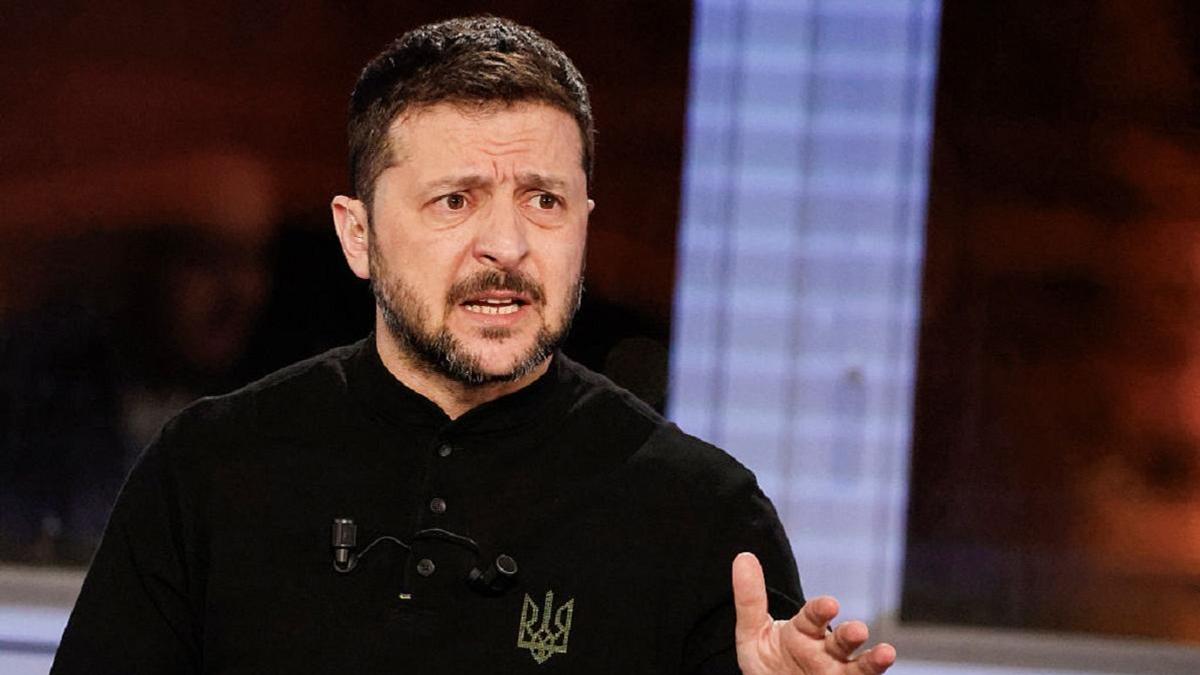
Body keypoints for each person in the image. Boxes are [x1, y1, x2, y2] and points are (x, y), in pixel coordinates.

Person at [52, 16, 895, 674]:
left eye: (543, 201)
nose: (507, 246)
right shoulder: (207, 471)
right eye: (455, 200)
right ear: (357, 235)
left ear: (585, 224)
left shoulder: (703, 514)